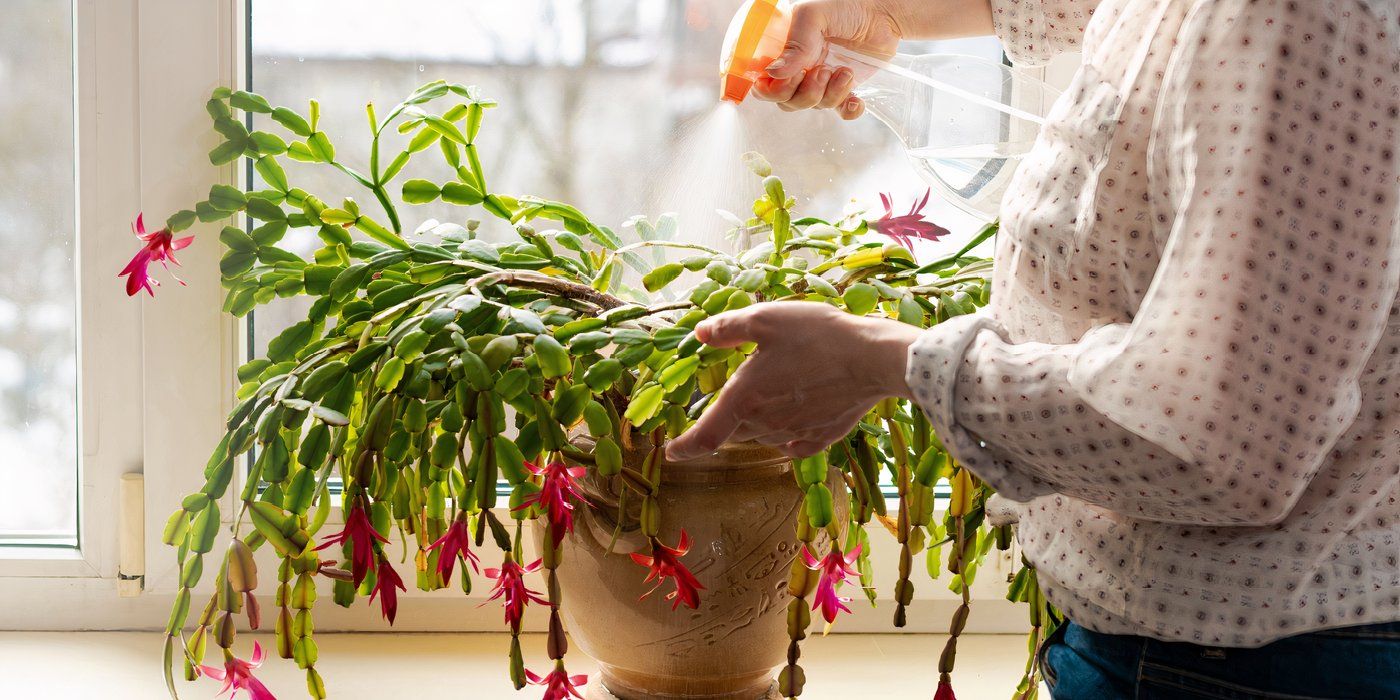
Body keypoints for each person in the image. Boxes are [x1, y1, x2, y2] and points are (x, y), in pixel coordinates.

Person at [666, 0, 1400, 697]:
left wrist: (888, 360)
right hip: (1180, 648)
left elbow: (1221, 440)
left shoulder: (1292, 21)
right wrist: (886, 15)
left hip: (1258, 667)